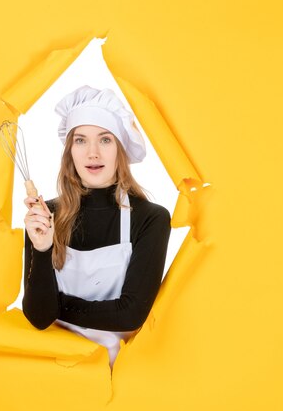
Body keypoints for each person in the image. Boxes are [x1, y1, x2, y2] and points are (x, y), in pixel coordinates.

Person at [21, 85, 172, 368]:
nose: (92, 153)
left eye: (104, 140)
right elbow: (39, 318)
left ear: (120, 149)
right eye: (80, 140)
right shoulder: (44, 217)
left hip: (113, 369)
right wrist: (42, 248)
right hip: (50, 363)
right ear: (70, 152)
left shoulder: (151, 218)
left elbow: (129, 315)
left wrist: (58, 305)